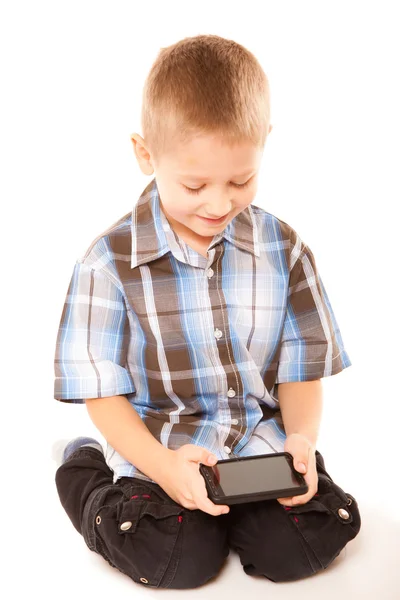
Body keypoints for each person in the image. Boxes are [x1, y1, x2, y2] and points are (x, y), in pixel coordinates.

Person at [52, 33, 361, 589]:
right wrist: (166, 469)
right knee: (174, 558)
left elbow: (300, 369)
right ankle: (83, 469)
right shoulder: (107, 264)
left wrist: (302, 440)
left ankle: (248, 513)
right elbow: (102, 391)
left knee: (307, 544)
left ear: (263, 143)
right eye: (195, 184)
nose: (219, 205)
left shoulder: (283, 249)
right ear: (146, 154)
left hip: (254, 443)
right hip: (159, 446)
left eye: (240, 180)